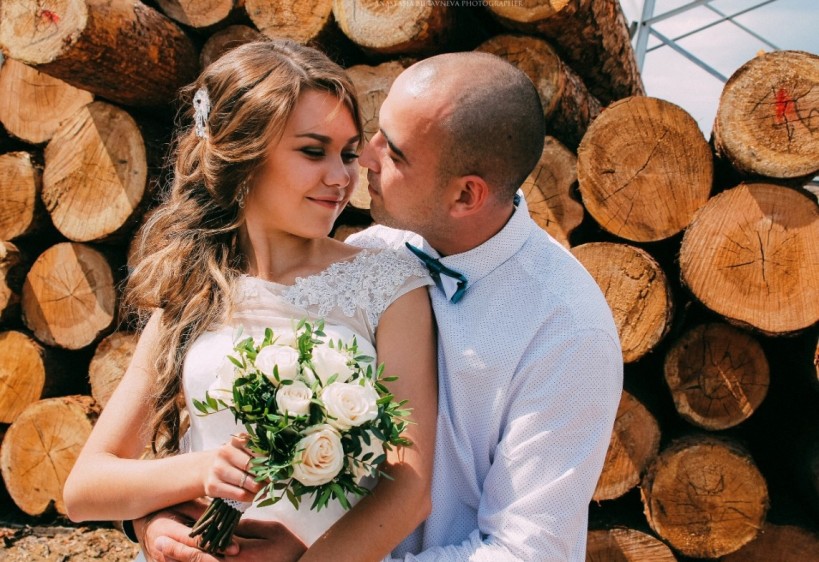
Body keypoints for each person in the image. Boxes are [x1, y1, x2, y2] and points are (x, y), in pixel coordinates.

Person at [141, 51, 623, 561]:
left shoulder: (567, 330)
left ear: (465, 196)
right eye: (373, 134)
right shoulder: (374, 254)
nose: (363, 160)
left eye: (394, 152)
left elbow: (528, 552)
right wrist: (154, 519)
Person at [62, 39, 437, 562]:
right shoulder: (195, 286)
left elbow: (408, 489)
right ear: (244, 153)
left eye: (348, 154)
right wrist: (186, 484)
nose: (340, 177)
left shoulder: (387, 284)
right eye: (313, 151)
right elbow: (84, 489)